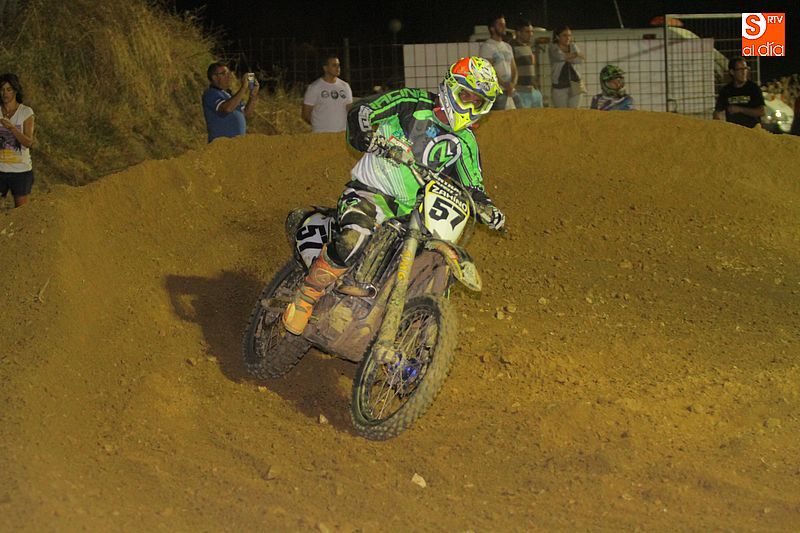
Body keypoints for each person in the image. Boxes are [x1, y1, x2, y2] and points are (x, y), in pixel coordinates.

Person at [282, 57, 507, 335]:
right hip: (370, 193)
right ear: (451, 87)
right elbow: (364, 110)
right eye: (466, 96)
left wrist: (487, 208)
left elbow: (474, 187)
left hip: (411, 215)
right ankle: (308, 294)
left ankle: (411, 331)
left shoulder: (466, 143)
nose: (470, 106)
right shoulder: (411, 102)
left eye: (478, 102)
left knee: (431, 261)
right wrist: (365, 133)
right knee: (354, 237)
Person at [0, 73, 35, 208]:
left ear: (15, 90)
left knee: (21, 212)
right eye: (2, 89)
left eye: (9, 89)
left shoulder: (25, 112)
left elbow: (28, 142)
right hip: (0, 168)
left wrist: (12, 128)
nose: (5, 93)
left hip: (20, 171)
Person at [202, 61, 259, 143]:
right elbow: (227, 109)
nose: (229, 76)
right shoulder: (211, 93)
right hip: (221, 145)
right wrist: (243, 88)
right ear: (214, 77)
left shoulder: (230, 95)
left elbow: (246, 114)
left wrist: (253, 95)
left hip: (237, 145)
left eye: (229, 73)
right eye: (224, 74)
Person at [302, 55, 353, 133]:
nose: (338, 68)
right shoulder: (314, 87)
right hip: (322, 134)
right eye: (334, 65)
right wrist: (318, 125)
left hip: (342, 134)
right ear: (325, 68)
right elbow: (305, 114)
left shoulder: (345, 86)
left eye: (338, 65)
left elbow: (349, 109)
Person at [479, 14, 517, 110]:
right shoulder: (487, 47)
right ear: (492, 28)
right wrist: (505, 84)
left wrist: (512, 84)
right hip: (497, 91)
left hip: (510, 90)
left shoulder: (507, 47)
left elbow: (514, 69)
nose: (504, 27)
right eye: (500, 25)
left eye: (504, 24)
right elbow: (489, 70)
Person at [713, 57, 764, 128]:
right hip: (734, 131)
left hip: (751, 130)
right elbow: (717, 112)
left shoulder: (754, 88)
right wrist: (719, 123)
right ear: (732, 72)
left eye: (745, 69)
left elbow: (761, 112)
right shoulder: (726, 90)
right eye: (740, 69)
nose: (744, 72)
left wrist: (740, 109)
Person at [549, 26, 585, 108]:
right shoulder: (553, 46)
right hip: (559, 85)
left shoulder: (573, 45)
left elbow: (580, 60)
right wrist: (575, 55)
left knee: (575, 111)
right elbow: (559, 56)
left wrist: (566, 57)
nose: (568, 38)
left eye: (569, 35)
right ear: (557, 36)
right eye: (564, 35)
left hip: (576, 82)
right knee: (562, 112)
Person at [511, 20, 543, 109]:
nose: (531, 34)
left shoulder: (528, 46)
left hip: (533, 90)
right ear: (518, 33)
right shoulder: (511, 47)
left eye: (531, 31)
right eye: (527, 32)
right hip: (521, 91)